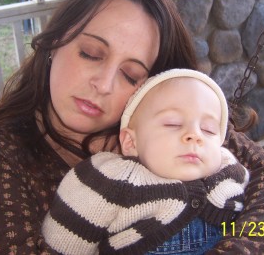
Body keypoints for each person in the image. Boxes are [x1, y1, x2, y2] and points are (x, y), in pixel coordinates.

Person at [0, 0, 264, 254]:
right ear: (54, 43)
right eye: (90, 53)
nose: (103, 84)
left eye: (131, 74)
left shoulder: (170, 123)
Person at [42, 68, 250, 254]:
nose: (195, 136)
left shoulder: (229, 170)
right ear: (131, 142)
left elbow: (258, 221)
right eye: (173, 123)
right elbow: (64, 239)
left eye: (208, 130)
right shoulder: (110, 179)